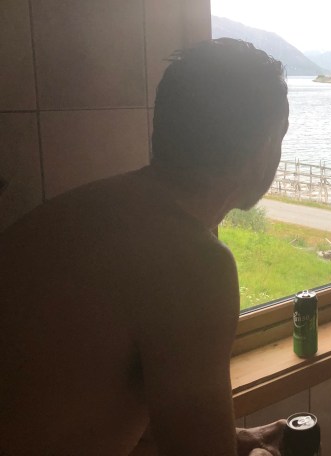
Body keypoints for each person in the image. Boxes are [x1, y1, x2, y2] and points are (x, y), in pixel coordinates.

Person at [0, 39, 290, 455]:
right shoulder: (193, 262)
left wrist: (237, 440)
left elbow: (100, 404)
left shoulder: (87, 211)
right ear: (264, 148)